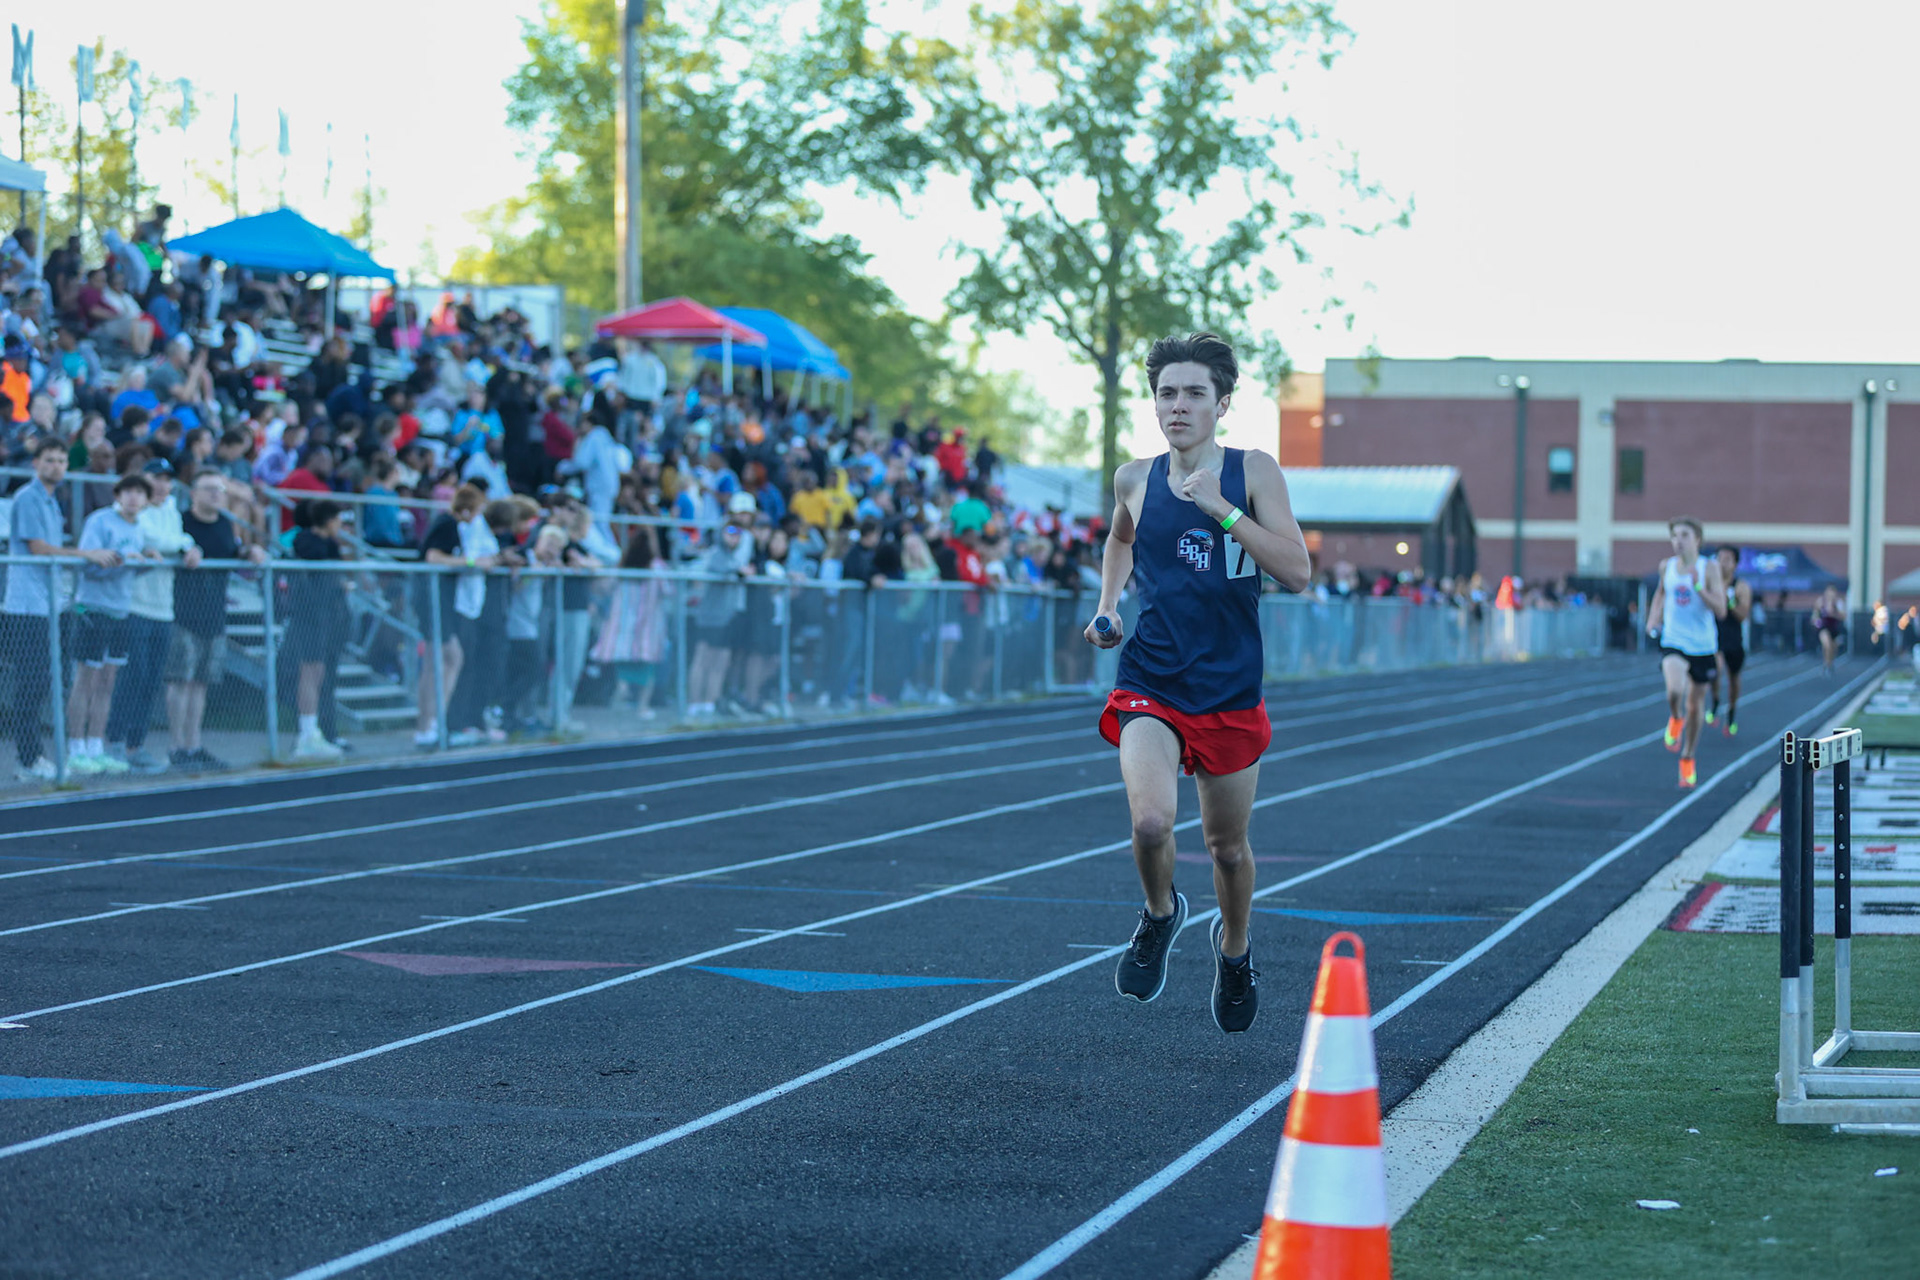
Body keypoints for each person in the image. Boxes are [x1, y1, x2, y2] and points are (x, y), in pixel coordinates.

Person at [1085, 332, 1311, 1033]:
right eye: (1166, 393)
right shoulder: (1134, 478)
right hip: (1151, 676)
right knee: (1151, 821)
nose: (1177, 406)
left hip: (1230, 687)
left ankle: (1234, 951)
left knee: (1226, 848)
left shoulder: (1252, 472)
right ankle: (1160, 914)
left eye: (1192, 394)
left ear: (1221, 404)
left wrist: (1220, 508)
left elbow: (1297, 572)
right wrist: (1108, 604)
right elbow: (1121, 538)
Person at [4, 438, 122, 780]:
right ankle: (28, 759)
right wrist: (87, 554)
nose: (55, 466)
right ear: (35, 463)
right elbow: (39, 549)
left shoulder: (53, 502)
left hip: (49, 603)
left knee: (43, 681)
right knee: (32, 682)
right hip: (28, 606)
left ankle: (33, 755)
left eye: (60, 461)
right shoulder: (28, 498)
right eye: (49, 460)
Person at [167, 469, 266, 771]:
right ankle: (176, 747)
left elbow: (233, 550)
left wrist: (250, 550)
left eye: (219, 490)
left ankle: (194, 744)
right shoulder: (181, 522)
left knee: (201, 683)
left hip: (214, 614)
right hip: (183, 612)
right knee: (180, 680)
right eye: (208, 489)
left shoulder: (225, 523)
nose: (214, 494)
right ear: (194, 493)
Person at [105, 460, 199, 773]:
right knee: (131, 677)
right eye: (154, 478)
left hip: (163, 608)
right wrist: (184, 544)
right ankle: (115, 744)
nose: (161, 485)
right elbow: (152, 540)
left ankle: (137, 746)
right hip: (135, 606)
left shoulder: (171, 511)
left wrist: (187, 544)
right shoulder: (134, 515)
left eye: (166, 479)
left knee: (150, 681)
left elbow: (175, 540)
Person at [69, 474, 162, 775]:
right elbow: (88, 565)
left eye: (140, 493)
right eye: (128, 492)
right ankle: (75, 748)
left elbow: (128, 572)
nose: (134, 497)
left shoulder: (138, 529)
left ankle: (97, 746)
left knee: (108, 681)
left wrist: (145, 562)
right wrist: (122, 558)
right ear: (118, 495)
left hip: (121, 611)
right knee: (86, 679)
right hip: (94, 608)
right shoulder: (100, 521)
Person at [1644, 517, 1727, 789]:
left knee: (1696, 706)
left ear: (1697, 540)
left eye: (1684, 535)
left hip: (1702, 645)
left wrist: (1699, 587)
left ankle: (1688, 757)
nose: (1678, 541)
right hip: (1674, 640)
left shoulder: (1709, 568)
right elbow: (1660, 594)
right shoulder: (1666, 566)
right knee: (1674, 691)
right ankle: (1674, 717)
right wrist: (1653, 617)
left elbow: (1721, 610)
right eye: (1674, 536)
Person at [286, 501, 351, 761]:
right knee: (310, 671)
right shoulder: (306, 541)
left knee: (325, 674)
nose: (340, 526)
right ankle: (307, 734)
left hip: (331, 617)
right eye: (336, 519)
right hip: (309, 616)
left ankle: (325, 731)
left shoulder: (332, 544)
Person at [591, 526, 671, 718]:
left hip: (623, 624)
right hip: (647, 626)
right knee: (646, 669)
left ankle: (621, 701)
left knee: (624, 669)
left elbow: (605, 587)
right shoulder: (657, 567)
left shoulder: (623, 565)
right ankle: (641, 707)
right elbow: (668, 590)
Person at [1708, 545, 1752, 736]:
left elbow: (1743, 615)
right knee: (1715, 670)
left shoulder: (1741, 587)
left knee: (1734, 679)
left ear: (1735, 564)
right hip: (1713, 636)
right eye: (1719, 558)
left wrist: (1728, 600)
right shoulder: (1709, 583)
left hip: (1733, 638)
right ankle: (1716, 700)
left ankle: (1732, 710)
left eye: (1727, 559)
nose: (1722, 563)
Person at [1814, 584, 1846, 675]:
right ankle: (1826, 664)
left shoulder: (1838, 603)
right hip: (1824, 627)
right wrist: (1815, 620)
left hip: (1835, 628)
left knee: (1832, 648)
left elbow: (1843, 616)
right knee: (1827, 645)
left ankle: (1829, 663)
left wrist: (1834, 613)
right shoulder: (1821, 602)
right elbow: (1815, 613)